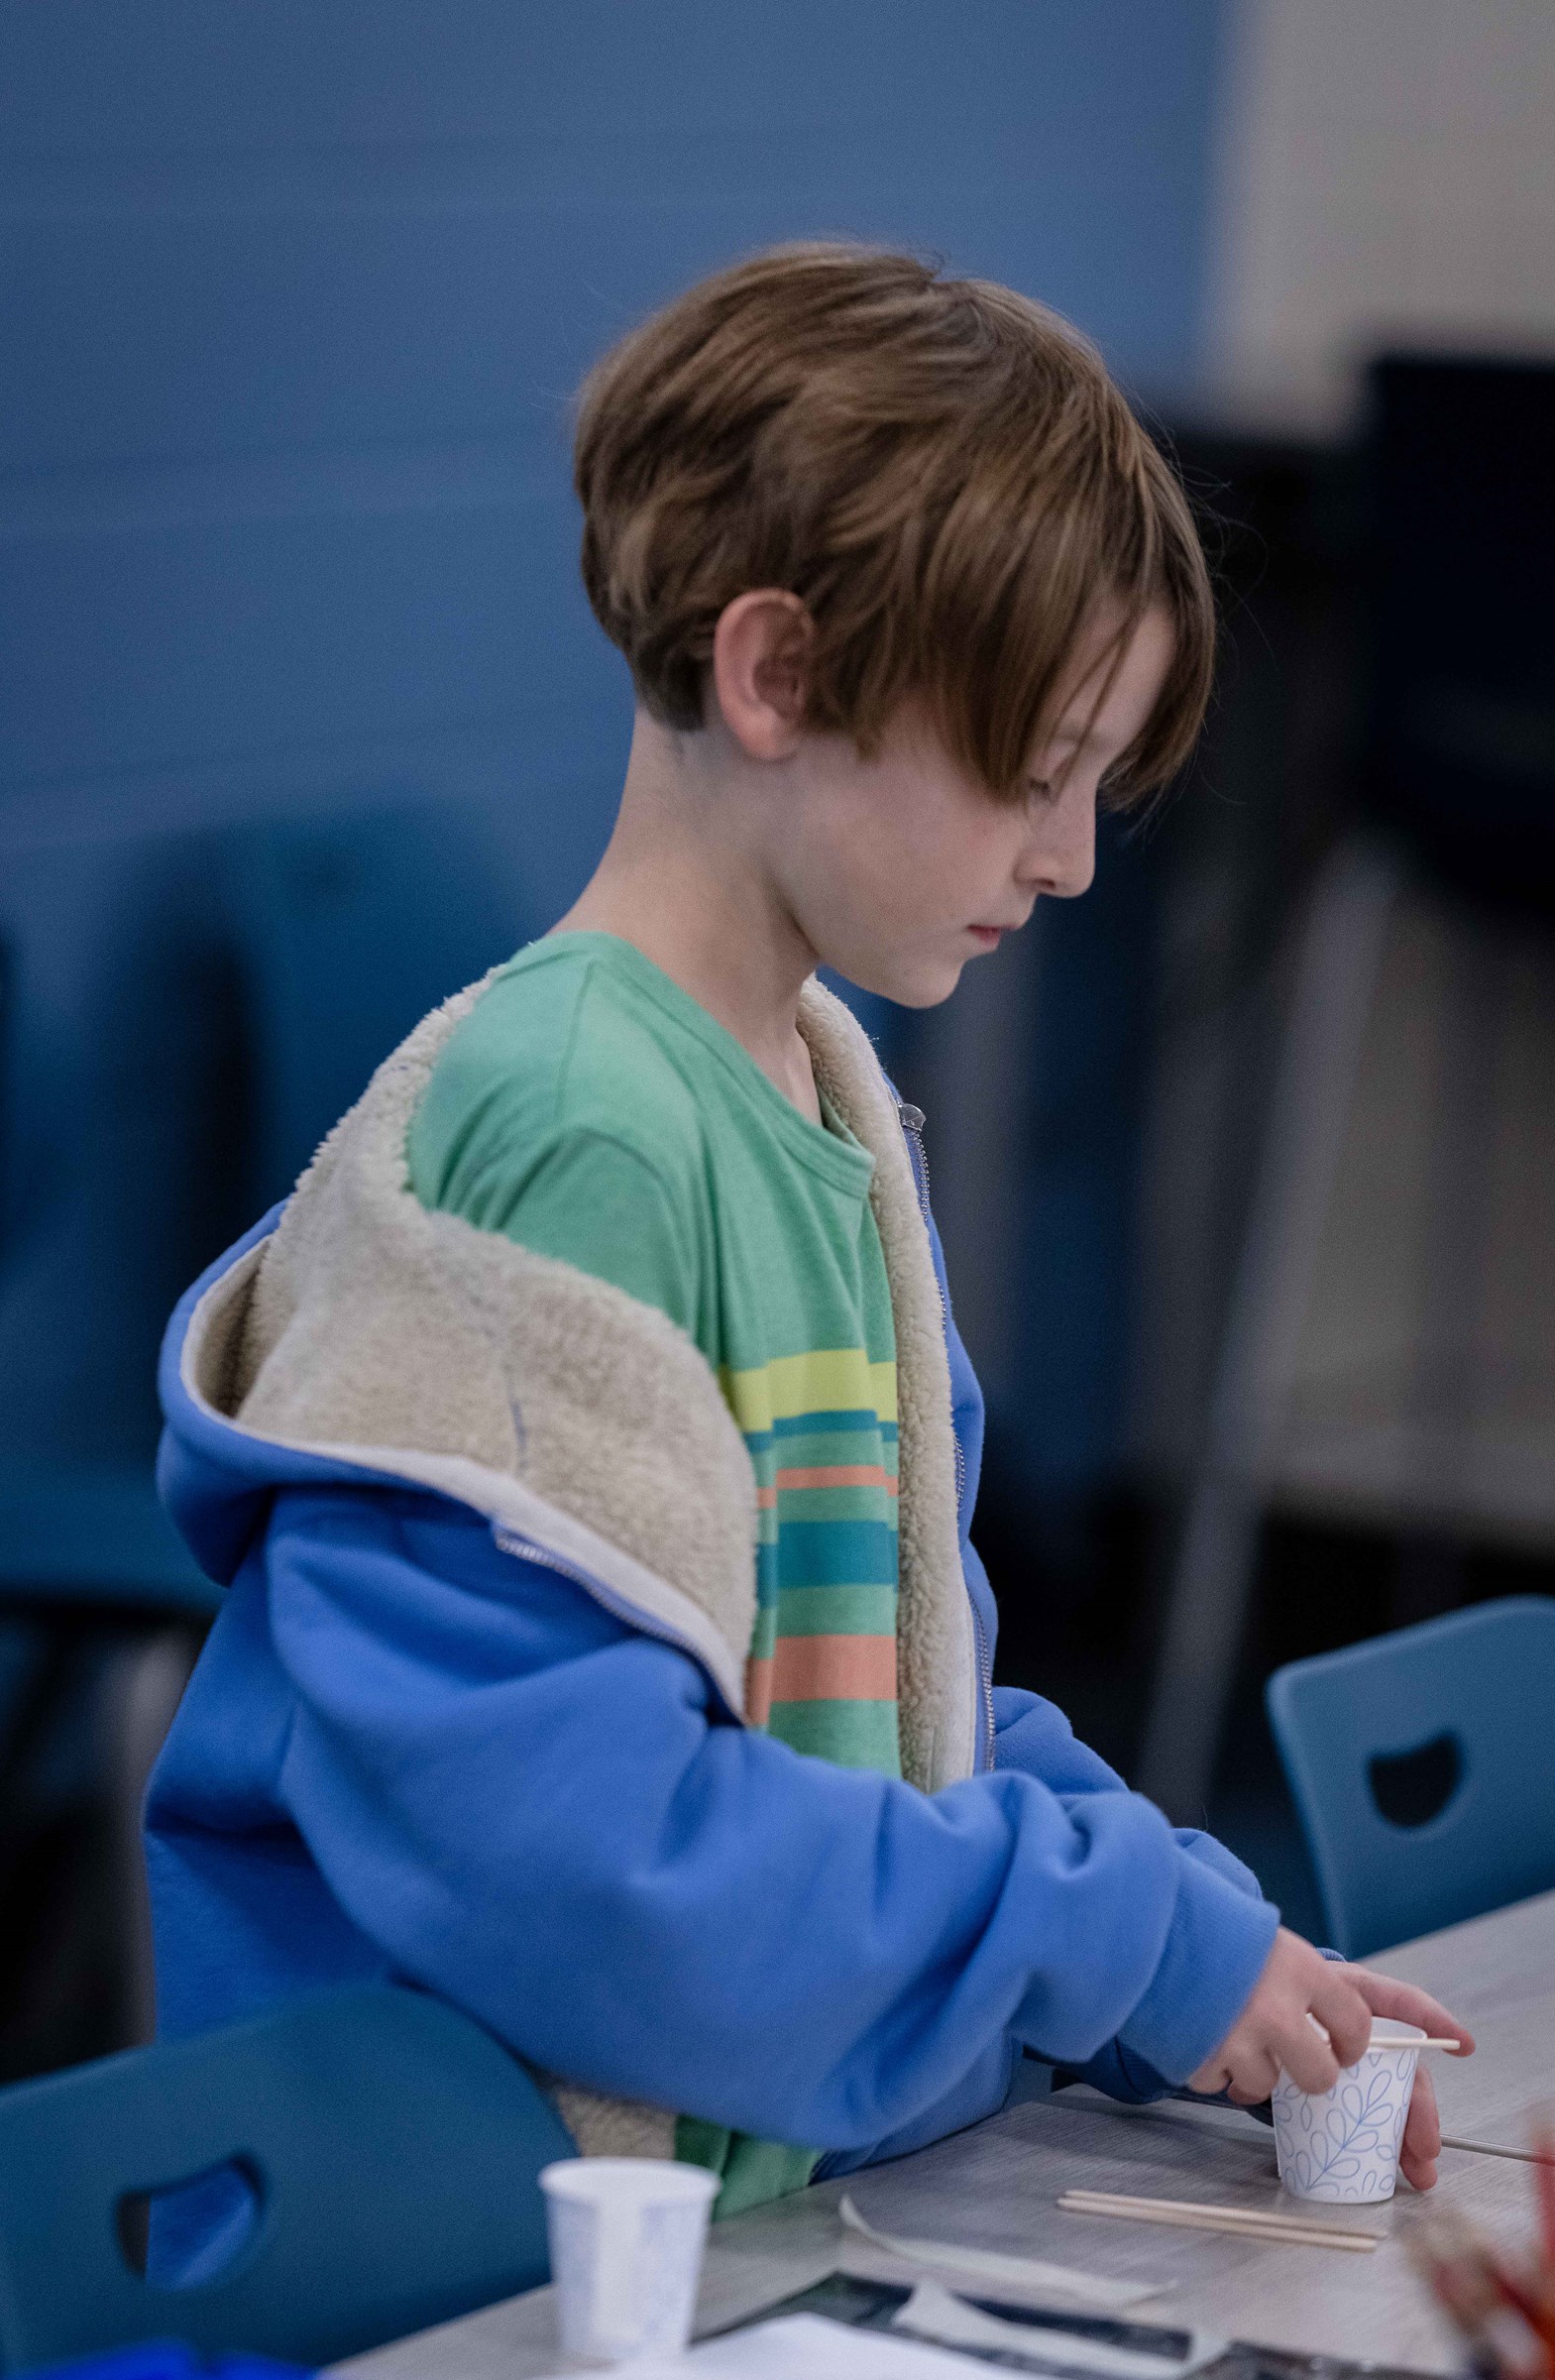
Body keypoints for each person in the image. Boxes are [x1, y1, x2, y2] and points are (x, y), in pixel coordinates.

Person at [149, 244, 1469, 2225]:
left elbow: (887, 1713)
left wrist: (1187, 1951)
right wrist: (1092, 1936)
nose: (1069, 858)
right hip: (464, 2281)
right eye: (1030, 774)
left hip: (726, 2230)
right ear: (772, 675)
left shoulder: (810, 1087)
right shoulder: (581, 1125)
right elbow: (586, 1859)